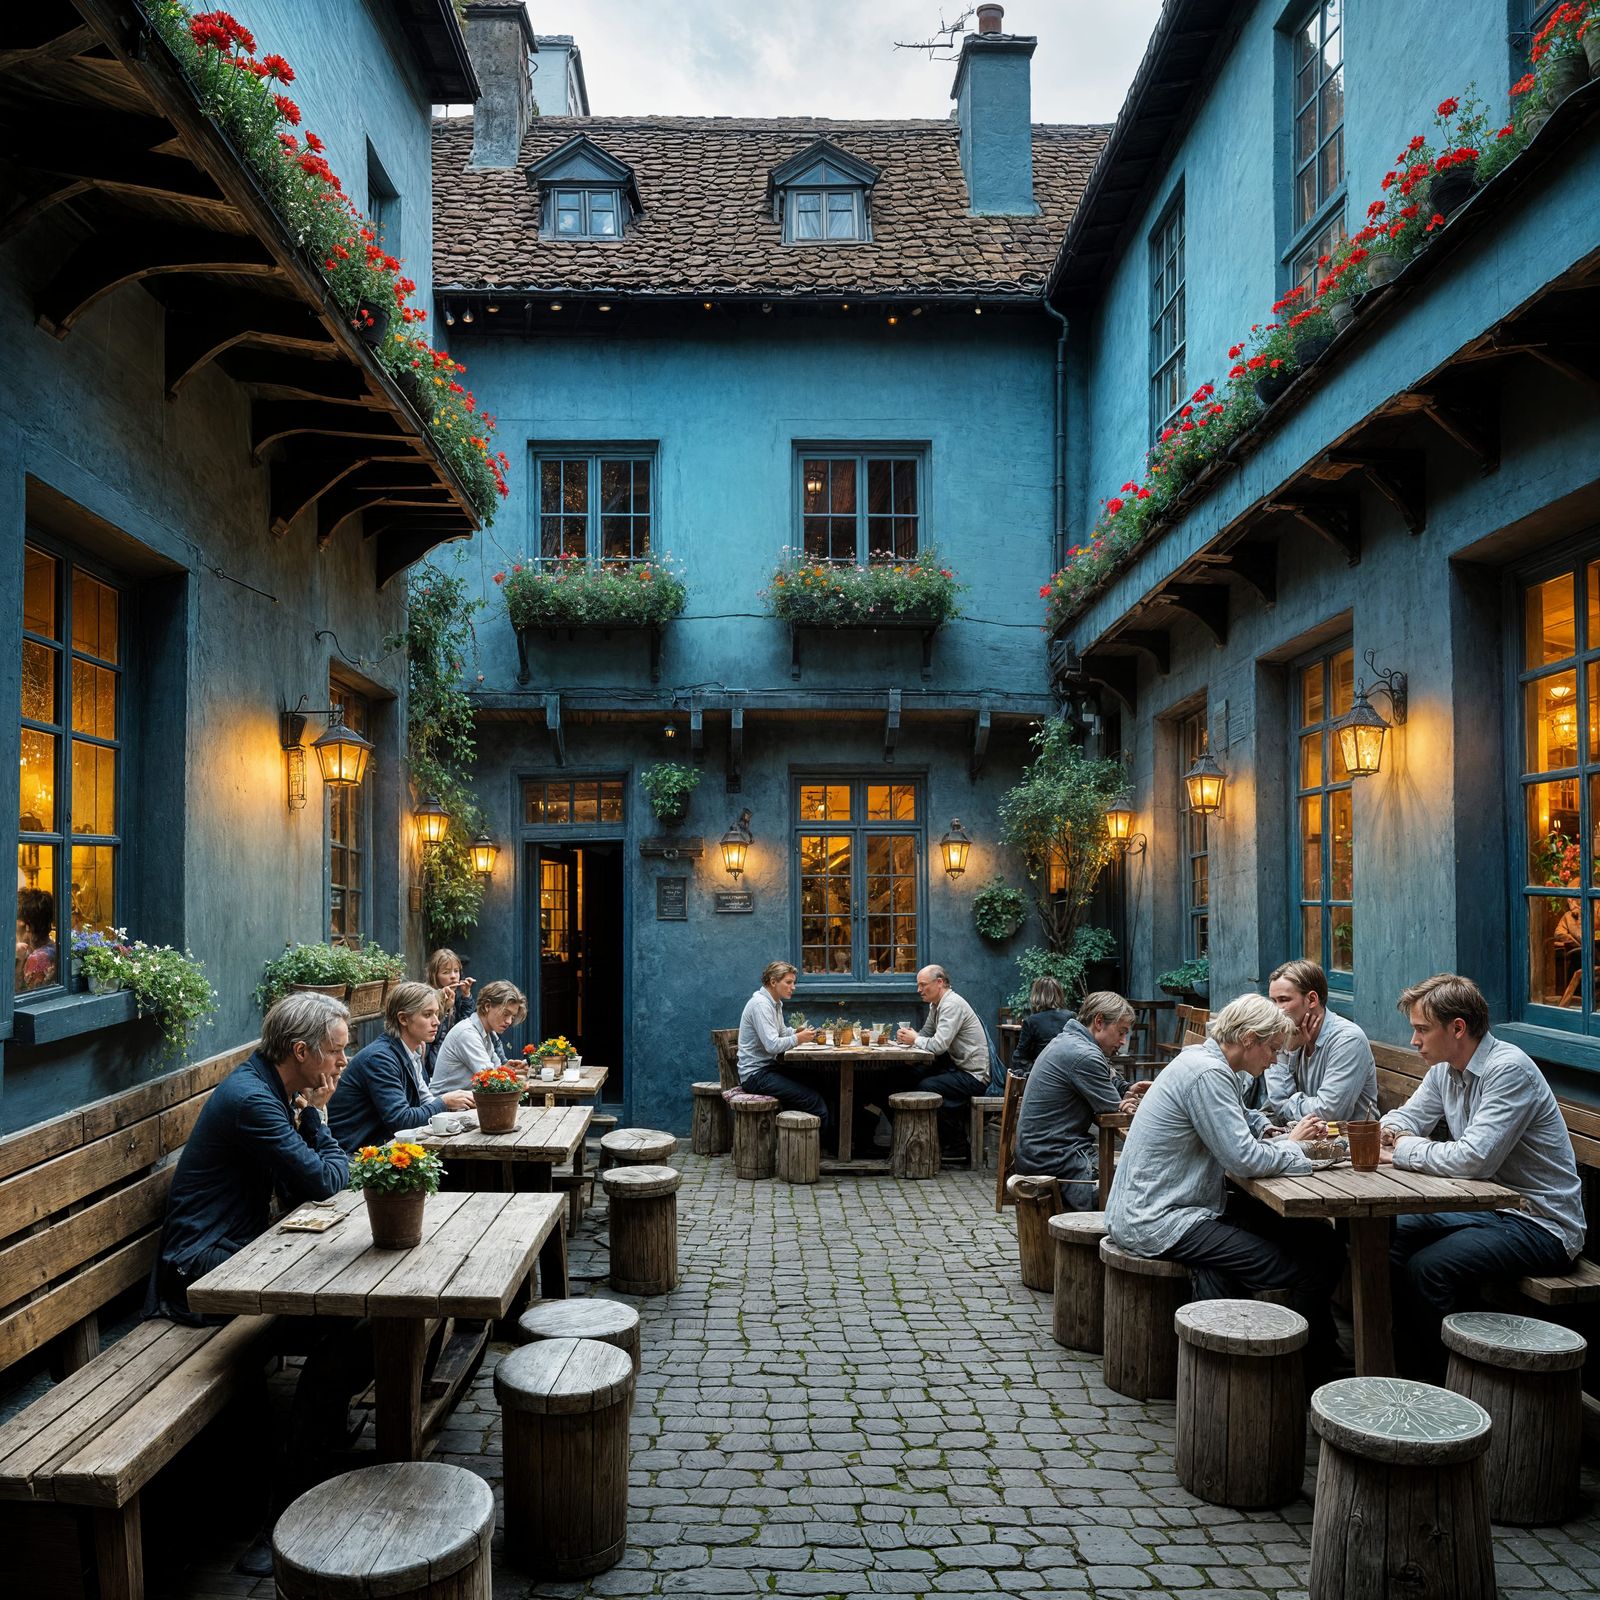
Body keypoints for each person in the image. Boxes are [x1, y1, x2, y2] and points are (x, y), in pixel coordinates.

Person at [144, 992, 369, 1572]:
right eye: (337, 1052)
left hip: (233, 1253)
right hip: (197, 1270)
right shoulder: (255, 1102)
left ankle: (317, 1441)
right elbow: (326, 1182)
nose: (344, 1063)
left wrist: (312, 1125)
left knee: (355, 1321)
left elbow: (304, 1187)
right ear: (301, 1051)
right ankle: (284, 1508)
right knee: (345, 1327)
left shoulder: (271, 1089)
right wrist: (319, 1118)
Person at [1105, 993, 1346, 1381]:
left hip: (1181, 1204)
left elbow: (1238, 1118)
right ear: (1249, 1038)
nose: (1273, 1059)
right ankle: (1306, 1373)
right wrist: (1300, 1150)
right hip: (1160, 1217)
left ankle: (1316, 1351)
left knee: (1321, 1240)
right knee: (1298, 1266)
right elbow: (1244, 1160)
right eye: (1271, 1049)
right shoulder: (1208, 1073)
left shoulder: (1208, 1062)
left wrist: (1270, 1132)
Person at [1381, 973, 1584, 1377]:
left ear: (1457, 1028)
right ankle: (1405, 1371)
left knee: (1428, 1268)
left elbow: (1474, 1160)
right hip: (1488, 1210)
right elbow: (1407, 1117)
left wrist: (1401, 1147)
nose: (1413, 1041)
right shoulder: (1445, 1068)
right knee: (1391, 1234)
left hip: (1541, 1223)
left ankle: (1449, 1384)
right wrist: (1392, 1129)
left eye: (1422, 1029)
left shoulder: (1508, 1071)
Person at [1013, 991, 1151, 1207]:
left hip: (1039, 1152)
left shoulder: (1071, 1040)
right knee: (1142, 1180)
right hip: (1055, 1160)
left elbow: (1105, 1080)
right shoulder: (1084, 1054)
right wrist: (1121, 1103)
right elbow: (1112, 1109)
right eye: (1121, 1032)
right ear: (1098, 1022)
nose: (1123, 1042)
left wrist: (1125, 1089)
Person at [328, 981, 476, 1151]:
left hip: (382, 1148)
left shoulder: (412, 1051)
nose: (436, 1022)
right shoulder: (380, 1059)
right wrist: (444, 1102)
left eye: (436, 1014)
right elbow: (401, 1120)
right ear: (403, 1018)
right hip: (354, 1156)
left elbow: (424, 1100)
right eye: (427, 1015)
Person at [1263, 958, 1379, 1125]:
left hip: (1347, 1143)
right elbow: (1277, 1102)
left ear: (1311, 999)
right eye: (1273, 1001)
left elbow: (1328, 1112)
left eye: (1283, 1000)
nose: (1276, 1010)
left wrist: (1285, 1106)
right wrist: (1287, 1050)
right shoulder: (1290, 1035)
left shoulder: (1347, 1040)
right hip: (1309, 1138)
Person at [895, 964, 988, 1156]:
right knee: (901, 1077)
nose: (918, 990)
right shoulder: (936, 1005)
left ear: (939, 983)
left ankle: (955, 1145)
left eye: (922, 985)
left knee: (927, 1086)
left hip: (973, 1075)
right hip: (956, 1068)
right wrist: (910, 1038)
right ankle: (906, 1138)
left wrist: (915, 1039)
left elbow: (938, 1046)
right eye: (918, 985)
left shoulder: (951, 1004)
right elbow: (927, 1034)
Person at [737, 960, 829, 1135]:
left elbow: (781, 1032)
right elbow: (772, 1045)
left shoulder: (774, 1003)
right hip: (755, 1075)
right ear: (773, 982)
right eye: (788, 982)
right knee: (813, 1099)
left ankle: (833, 1140)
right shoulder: (761, 1005)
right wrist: (798, 1038)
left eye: (793, 982)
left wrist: (796, 1031)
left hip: (768, 1069)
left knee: (820, 1080)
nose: (793, 987)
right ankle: (821, 1148)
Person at [429, 979, 527, 1093]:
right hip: (446, 1106)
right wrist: (520, 1083)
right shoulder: (467, 1033)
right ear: (487, 1006)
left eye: (512, 1017)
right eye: (506, 1014)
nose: (509, 1021)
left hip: (465, 1104)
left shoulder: (487, 1034)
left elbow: (494, 1072)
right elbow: (491, 1080)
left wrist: (507, 1069)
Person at [423, 947, 476, 1079]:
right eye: (446, 972)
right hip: (433, 1064)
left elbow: (466, 1026)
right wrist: (444, 1009)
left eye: (456, 971)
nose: (453, 976)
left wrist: (466, 996)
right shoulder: (426, 996)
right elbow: (431, 1037)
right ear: (434, 975)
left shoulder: (455, 994)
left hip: (453, 1058)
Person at [1011, 975, 1073, 1076]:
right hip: (1067, 1073)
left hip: (1042, 1075)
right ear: (1059, 994)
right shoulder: (1070, 1016)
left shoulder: (1031, 1021)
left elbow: (1019, 1057)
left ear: (1036, 995)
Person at [15, 888, 57, 991]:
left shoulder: (37, 958)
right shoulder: (51, 946)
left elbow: (19, 999)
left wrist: (19, 964)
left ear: (27, 926)